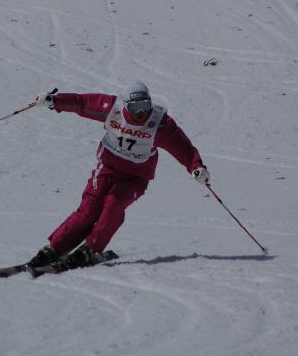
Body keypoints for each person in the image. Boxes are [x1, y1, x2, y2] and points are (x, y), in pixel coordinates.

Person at [28, 81, 210, 269]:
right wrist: (54, 101)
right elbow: (82, 103)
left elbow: (184, 149)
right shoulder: (112, 109)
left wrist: (196, 167)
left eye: (145, 106)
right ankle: (54, 248)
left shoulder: (159, 124)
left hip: (135, 178)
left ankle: (90, 248)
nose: (141, 113)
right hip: (106, 169)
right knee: (88, 210)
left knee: (113, 206)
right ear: (125, 105)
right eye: (135, 107)